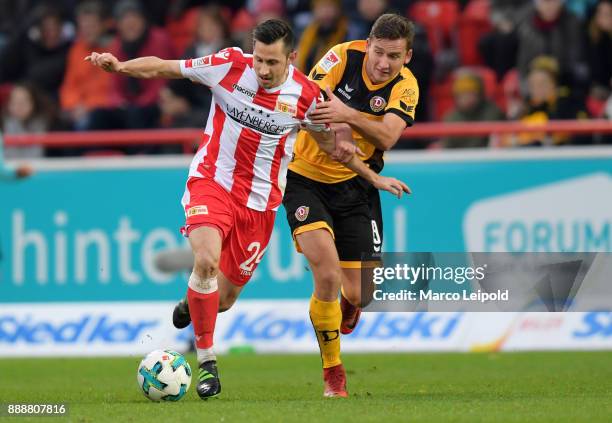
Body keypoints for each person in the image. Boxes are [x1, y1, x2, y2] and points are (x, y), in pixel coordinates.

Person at [86, 18, 408, 400]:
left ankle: (193, 302)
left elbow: (331, 146)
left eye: (272, 62)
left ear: (290, 58)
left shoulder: (306, 96)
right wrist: (120, 66)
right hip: (212, 182)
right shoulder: (229, 66)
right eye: (258, 59)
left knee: (222, 298)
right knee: (206, 261)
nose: (263, 70)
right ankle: (208, 364)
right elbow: (166, 66)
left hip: (258, 205)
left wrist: (371, 178)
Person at [284, 13, 418, 397]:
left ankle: (351, 302)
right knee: (325, 274)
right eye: (378, 52)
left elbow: (388, 136)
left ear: (406, 56)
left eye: (393, 56)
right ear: (367, 45)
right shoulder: (341, 56)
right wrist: (339, 125)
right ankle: (333, 374)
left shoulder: (407, 87)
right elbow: (312, 101)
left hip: (357, 185)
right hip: (304, 178)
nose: (383, 63)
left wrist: (346, 116)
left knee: (361, 294)